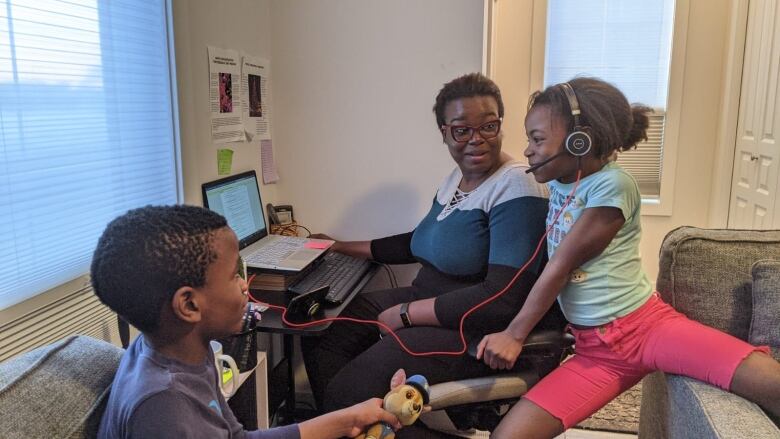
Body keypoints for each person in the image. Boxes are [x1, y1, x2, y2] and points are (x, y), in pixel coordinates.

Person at [471, 77, 780, 438]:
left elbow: (561, 266)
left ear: (579, 140)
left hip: (646, 328)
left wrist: (514, 333)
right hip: (595, 351)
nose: (528, 150)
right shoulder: (559, 181)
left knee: (770, 382)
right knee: (507, 436)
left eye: (537, 139)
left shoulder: (613, 186)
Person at [302, 73, 567, 434]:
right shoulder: (456, 180)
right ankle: (366, 429)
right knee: (325, 334)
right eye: (462, 130)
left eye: (489, 126)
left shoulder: (516, 185)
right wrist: (337, 245)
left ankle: (359, 422)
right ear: (444, 133)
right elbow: (418, 241)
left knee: (349, 390)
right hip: (432, 300)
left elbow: (504, 297)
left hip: (476, 326)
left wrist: (407, 314)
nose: (477, 140)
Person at [91, 205, 401, 439]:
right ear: (188, 305)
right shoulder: (163, 406)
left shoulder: (181, 353)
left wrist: (349, 419)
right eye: (234, 275)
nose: (245, 285)